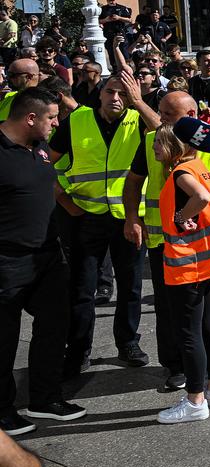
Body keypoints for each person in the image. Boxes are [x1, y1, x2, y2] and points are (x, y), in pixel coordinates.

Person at [123, 91, 210, 393]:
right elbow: (133, 181)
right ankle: (181, 370)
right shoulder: (153, 140)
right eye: (160, 112)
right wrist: (132, 217)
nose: (161, 120)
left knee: (202, 318)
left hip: (201, 246)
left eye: (168, 115)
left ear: (191, 116)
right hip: (165, 243)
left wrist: (184, 217)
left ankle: (203, 383)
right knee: (171, 312)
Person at [50, 74, 151, 374]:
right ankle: (78, 350)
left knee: (131, 286)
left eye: (123, 94)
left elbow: (166, 134)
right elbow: (46, 161)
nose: (116, 98)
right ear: (101, 93)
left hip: (129, 217)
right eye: (110, 91)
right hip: (86, 216)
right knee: (82, 288)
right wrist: (65, 199)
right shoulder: (77, 120)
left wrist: (140, 103)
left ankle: (128, 342)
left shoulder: (138, 119)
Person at [149, 127, 210, 425]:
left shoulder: (181, 173)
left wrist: (180, 216)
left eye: (158, 143)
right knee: (209, 326)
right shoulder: (199, 166)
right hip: (209, 261)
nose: (154, 148)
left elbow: (201, 197)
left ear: (174, 146)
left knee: (189, 333)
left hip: (188, 265)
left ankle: (195, 400)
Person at [0, 88, 81, 435]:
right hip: (7, 260)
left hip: (47, 255)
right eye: (51, 117)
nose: (56, 123)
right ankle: (2, 411)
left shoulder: (40, 147)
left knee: (54, 325)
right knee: (4, 338)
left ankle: (45, 399)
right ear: (30, 118)